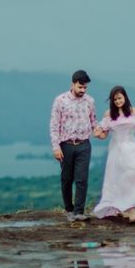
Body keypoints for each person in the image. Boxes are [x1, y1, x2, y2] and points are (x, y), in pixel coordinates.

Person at [49, 70, 106, 222]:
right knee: (67, 179)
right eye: (80, 87)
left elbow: (93, 121)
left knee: (82, 178)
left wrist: (101, 130)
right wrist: (56, 147)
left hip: (84, 145)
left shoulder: (90, 101)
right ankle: (69, 209)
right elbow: (54, 125)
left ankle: (79, 212)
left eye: (85, 88)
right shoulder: (60, 100)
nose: (83, 90)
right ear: (72, 84)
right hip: (65, 145)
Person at [93, 85, 135, 223]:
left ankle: (131, 208)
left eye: (120, 98)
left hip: (130, 148)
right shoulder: (109, 115)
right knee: (117, 179)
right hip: (115, 151)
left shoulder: (133, 111)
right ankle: (124, 209)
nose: (118, 101)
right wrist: (97, 134)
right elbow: (104, 135)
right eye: (115, 99)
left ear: (125, 97)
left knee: (133, 175)